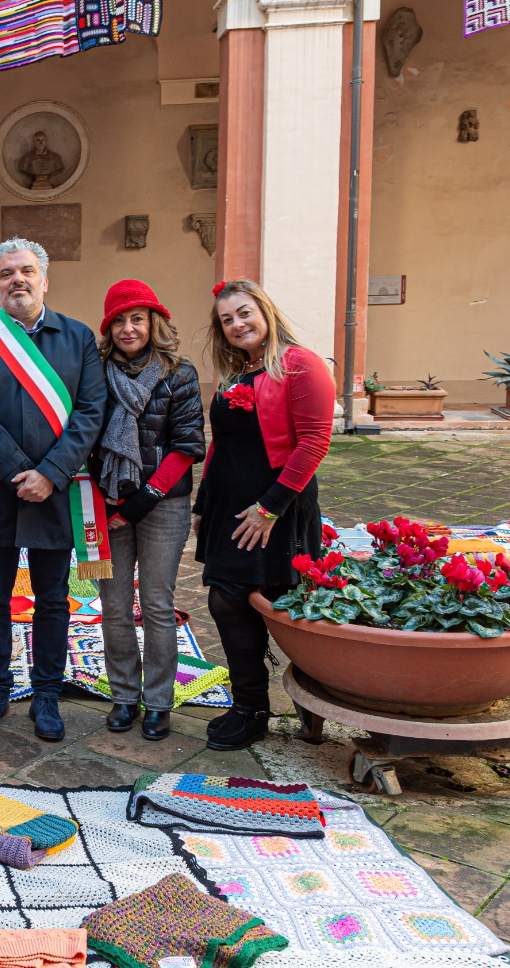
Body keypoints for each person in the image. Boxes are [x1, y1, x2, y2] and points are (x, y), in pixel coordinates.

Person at [0, 238, 106, 743]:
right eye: (5, 274)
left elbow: (90, 412)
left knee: (53, 598)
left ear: (45, 279)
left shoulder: (79, 337)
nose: (16, 280)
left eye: (25, 271)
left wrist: (51, 473)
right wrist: (21, 471)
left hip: (55, 491)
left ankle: (46, 693)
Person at [194, 279, 334, 751]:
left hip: (275, 508)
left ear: (266, 311)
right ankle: (251, 706)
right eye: (227, 319)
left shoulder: (300, 365)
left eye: (244, 313)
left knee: (250, 602)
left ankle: (266, 707)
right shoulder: (236, 372)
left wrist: (270, 508)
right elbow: (222, 446)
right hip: (230, 509)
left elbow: (314, 442)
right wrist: (203, 505)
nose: (237, 324)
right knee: (229, 602)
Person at [92, 280, 205, 743]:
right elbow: (86, 436)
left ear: (153, 322)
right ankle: (124, 696)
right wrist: (105, 502)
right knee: (114, 607)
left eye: (137, 318)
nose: (128, 328)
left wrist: (143, 500)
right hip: (108, 504)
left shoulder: (179, 373)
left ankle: (158, 702)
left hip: (163, 505)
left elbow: (187, 445)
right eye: (119, 320)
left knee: (156, 605)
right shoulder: (95, 373)